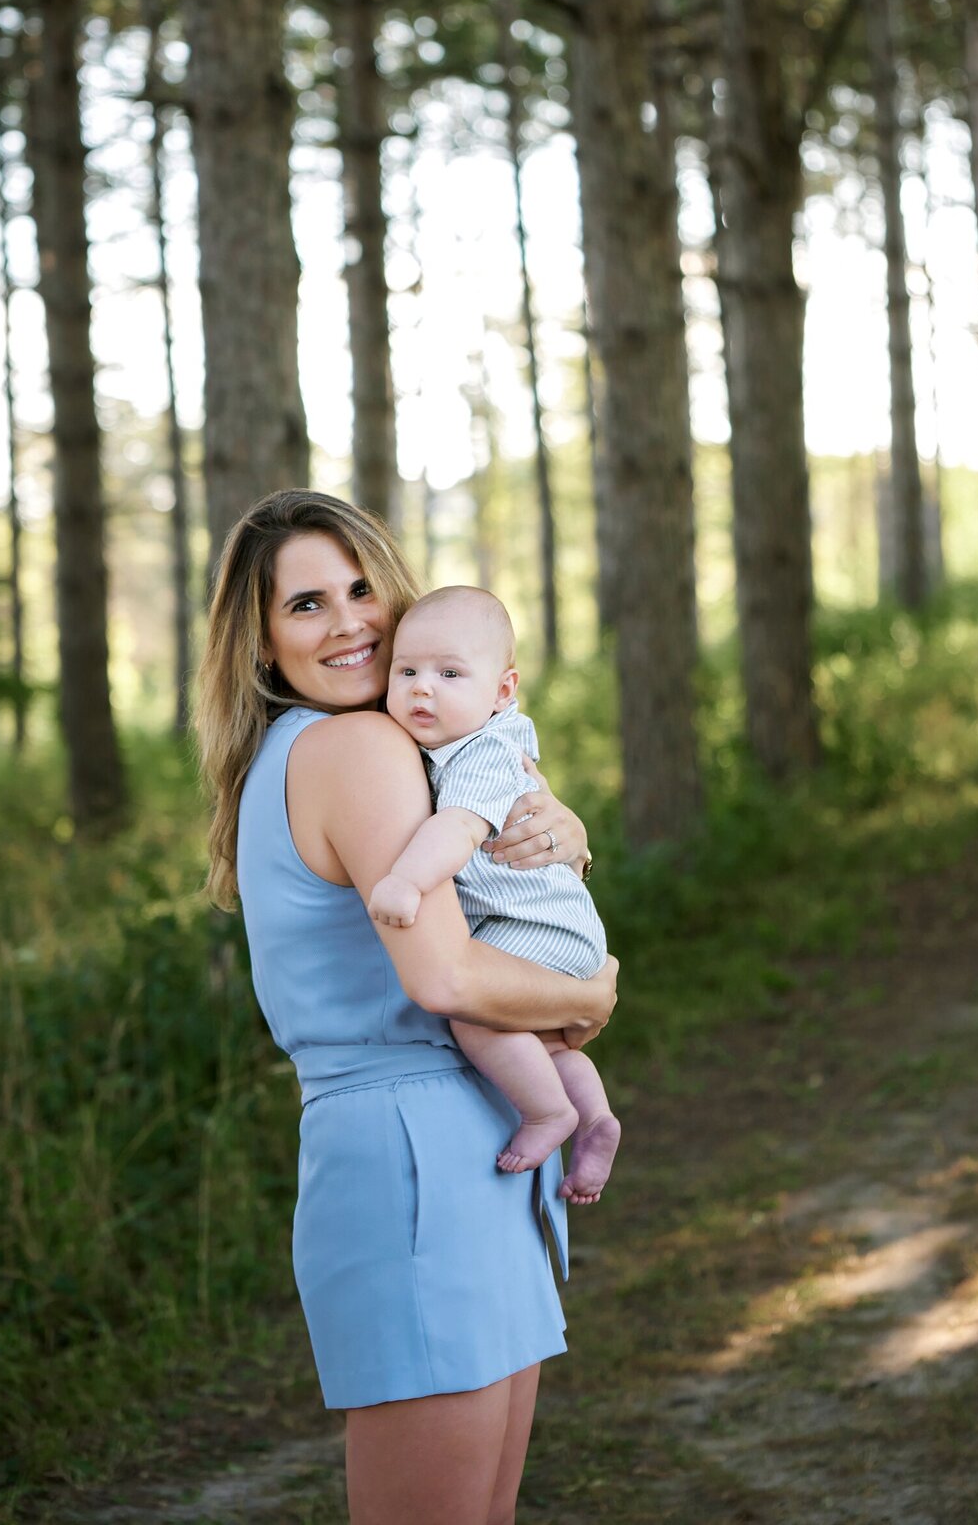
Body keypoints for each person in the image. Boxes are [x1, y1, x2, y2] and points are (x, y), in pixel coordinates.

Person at [195, 490, 618, 1525]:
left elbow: (488, 868)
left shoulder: (341, 750)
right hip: (416, 1158)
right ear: (261, 642)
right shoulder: (355, 750)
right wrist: (592, 992)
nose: (348, 623)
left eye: (359, 588)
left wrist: (557, 827)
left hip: (457, 1148)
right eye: (305, 605)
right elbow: (447, 978)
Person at [368, 585, 621, 1204]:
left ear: (502, 691)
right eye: (407, 672)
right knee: (542, 1042)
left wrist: (405, 880)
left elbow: (456, 829)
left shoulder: (480, 752)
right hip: (550, 923)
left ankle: (546, 1116)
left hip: (537, 925)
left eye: (450, 673)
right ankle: (593, 1118)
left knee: (476, 1012)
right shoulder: (458, 740)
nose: (423, 688)